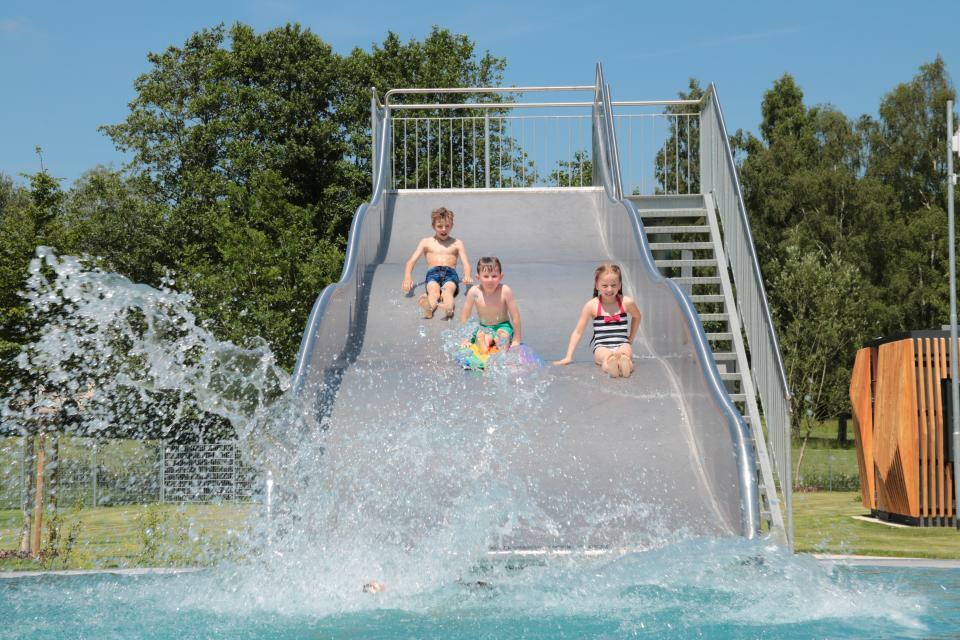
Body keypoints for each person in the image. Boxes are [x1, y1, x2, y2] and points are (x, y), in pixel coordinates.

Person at [553, 263, 642, 378]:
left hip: (622, 343)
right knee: (606, 356)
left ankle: (625, 365)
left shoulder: (626, 302)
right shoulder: (592, 306)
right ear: (597, 286)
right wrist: (568, 356)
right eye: (605, 285)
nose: (609, 289)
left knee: (626, 353)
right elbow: (578, 332)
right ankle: (611, 366)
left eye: (613, 285)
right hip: (602, 346)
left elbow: (637, 316)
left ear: (620, 285)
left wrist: (630, 339)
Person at [401, 206, 473, 319]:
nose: (444, 229)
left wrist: (467, 275)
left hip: (450, 273)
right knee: (433, 291)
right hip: (433, 273)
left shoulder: (457, 243)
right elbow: (411, 261)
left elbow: (466, 263)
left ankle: (448, 308)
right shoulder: (426, 242)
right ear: (433, 226)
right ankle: (429, 308)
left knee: (447, 291)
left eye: (447, 226)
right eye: (440, 226)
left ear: (452, 226)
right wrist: (407, 277)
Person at [459, 256, 522, 354]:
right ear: (478, 277)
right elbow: (465, 315)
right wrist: (464, 338)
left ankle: (495, 346)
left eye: (494, 276)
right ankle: (483, 343)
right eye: (486, 276)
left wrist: (516, 339)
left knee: (503, 337)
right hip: (484, 327)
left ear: (501, 276)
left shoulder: (505, 291)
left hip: (503, 326)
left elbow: (515, 316)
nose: (490, 280)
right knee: (484, 337)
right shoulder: (474, 292)